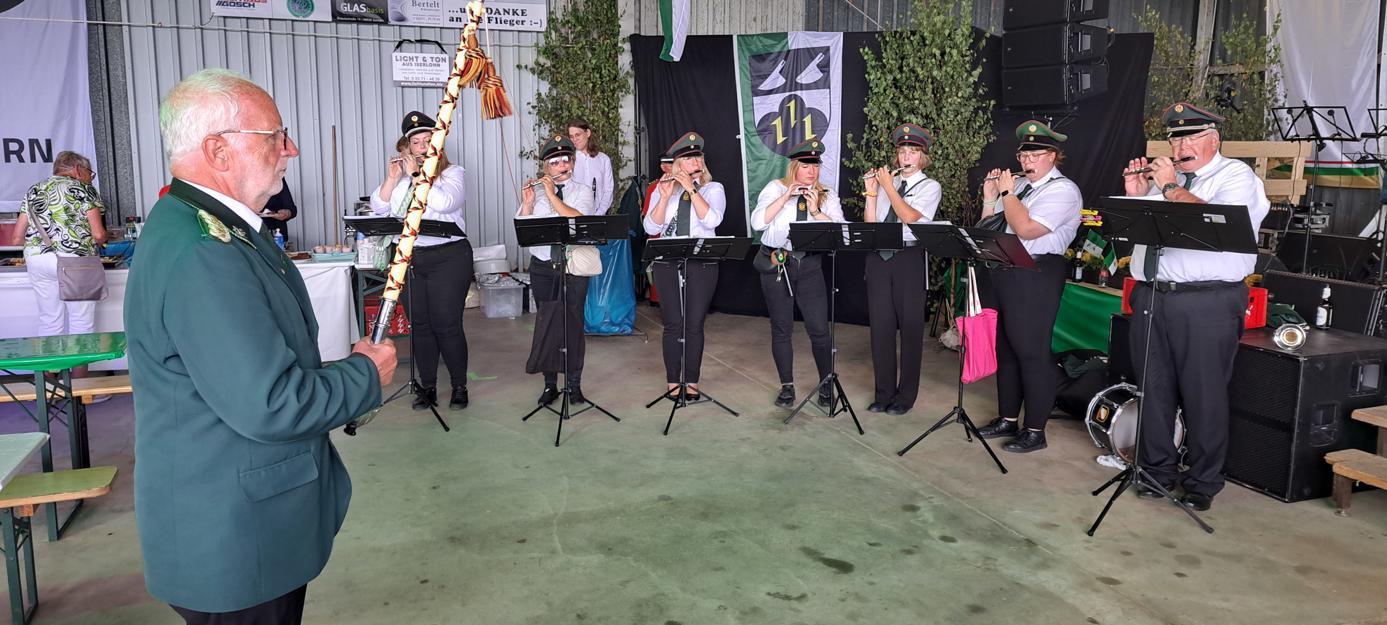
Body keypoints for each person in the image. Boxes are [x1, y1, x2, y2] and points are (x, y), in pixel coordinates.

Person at [124, 68, 397, 624]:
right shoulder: (205, 251)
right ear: (218, 151)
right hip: (236, 535)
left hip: (241, 517)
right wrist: (364, 374)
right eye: (275, 135)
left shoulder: (215, 229)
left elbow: (250, 364)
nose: (290, 149)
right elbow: (271, 402)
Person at [1121, 102, 1270, 511]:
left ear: (1214, 140)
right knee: (1153, 389)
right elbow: (1137, 231)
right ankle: (1157, 470)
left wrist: (1168, 188)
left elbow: (1210, 223)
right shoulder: (1167, 182)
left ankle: (1204, 481)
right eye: (1175, 140)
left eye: (1191, 138)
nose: (1181, 147)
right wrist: (1137, 195)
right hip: (1152, 294)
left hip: (1207, 300)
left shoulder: (1235, 176)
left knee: (1204, 394)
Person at [974, 120, 1082, 453]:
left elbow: (1026, 229)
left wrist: (1007, 193)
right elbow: (987, 230)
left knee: (1031, 352)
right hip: (1005, 268)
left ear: (1052, 156)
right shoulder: (1020, 186)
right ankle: (1007, 418)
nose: (1027, 161)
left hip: (1037, 273)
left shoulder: (1063, 190)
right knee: (1006, 350)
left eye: (1035, 155)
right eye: (1023, 155)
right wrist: (990, 199)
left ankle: (1035, 429)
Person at [370, 111, 474, 410]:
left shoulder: (453, 173)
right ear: (408, 147)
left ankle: (459, 386)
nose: (422, 147)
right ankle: (427, 387)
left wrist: (418, 175)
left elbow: (446, 202)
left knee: (447, 324)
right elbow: (379, 207)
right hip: (411, 258)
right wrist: (393, 178)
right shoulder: (402, 179)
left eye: (428, 140)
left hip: (448, 257)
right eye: (416, 143)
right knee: (421, 325)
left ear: (438, 144)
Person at [749, 138, 846, 408]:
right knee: (781, 328)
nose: (812, 171)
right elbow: (757, 223)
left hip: (810, 266)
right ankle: (787, 387)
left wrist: (815, 210)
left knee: (819, 329)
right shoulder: (775, 188)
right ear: (794, 167)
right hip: (779, 263)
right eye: (805, 166)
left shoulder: (827, 194)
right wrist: (785, 198)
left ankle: (826, 384)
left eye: (815, 165)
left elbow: (841, 232)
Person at [862, 123, 941, 416]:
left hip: (909, 257)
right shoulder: (888, 181)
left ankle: (906, 396)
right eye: (902, 151)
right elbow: (871, 224)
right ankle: (883, 393)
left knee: (910, 329)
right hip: (879, 257)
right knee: (880, 328)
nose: (906, 157)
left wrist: (887, 188)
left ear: (923, 157)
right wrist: (872, 193)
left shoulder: (930, 186)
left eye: (913, 152)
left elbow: (909, 217)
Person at [6, 151, 108, 375]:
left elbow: (16, 238)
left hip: (37, 259)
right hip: (74, 261)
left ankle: (49, 385)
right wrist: (99, 240)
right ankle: (80, 388)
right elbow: (99, 234)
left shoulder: (34, 190)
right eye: (89, 173)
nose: (90, 178)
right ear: (77, 170)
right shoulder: (83, 189)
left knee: (50, 320)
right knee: (81, 323)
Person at [643, 132, 725, 400]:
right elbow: (650, 227)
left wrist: (691, 189)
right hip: (667, 262)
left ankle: (691, 382)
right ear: (677, 164)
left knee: (694, 324)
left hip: (701, 262)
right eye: (689, 159)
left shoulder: (713, 189)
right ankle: (672, 382)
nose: (696, 162)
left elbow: (712, 220)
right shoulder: (663, 188)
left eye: (698, 157)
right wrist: (664, 197)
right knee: (672, 324)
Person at [518, 135, 597, 405]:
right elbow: (523, 231)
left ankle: (574, 385)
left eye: (566, 160)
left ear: (572, 162)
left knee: (573, 323)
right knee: (547, 323)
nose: (562, 165)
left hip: (572, 266)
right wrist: (528, 203)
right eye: (555, 162)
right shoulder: (537, 191)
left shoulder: (583, 191)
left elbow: (577, 219)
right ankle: (550, 385)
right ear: (546, 167)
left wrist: (551, 194)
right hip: (543, 266)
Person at [569, 118, 614, 214]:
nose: (574, 139)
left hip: (598, 215)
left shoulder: (603, 159)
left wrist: (599, 213)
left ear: (588, 133)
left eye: (578, 135)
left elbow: (608, 190)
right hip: (574, 216)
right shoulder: (568, 160)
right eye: (571, 136)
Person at [260, 180, 297, 244]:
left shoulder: (278, 178)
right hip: (253, 235)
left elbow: (292, 209)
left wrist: (288, 213)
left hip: (277, 236)